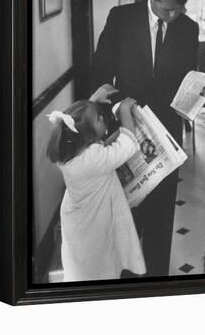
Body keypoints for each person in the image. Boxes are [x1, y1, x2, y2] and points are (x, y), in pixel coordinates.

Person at [93, 0, 199, 276]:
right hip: (125, 130)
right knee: (127, 211)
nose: (174, 16)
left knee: (162, 213)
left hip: (167, 135)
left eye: (179, 9)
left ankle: (156, 281)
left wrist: (202, 91)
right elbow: (99, 73)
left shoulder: (188, 27)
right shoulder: (121, 18)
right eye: (167, 10)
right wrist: (118, 107)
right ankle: (125, 277)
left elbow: (186, 80)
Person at [46, 96, 146, 282]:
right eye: (99, 117)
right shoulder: (94, 158)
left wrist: (91, 102)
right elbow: (129, 144)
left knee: (82, 264)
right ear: (87, 135)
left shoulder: (68, 153)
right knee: (102, 262)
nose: (103, 117)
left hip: (78, 220)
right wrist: (125, 111)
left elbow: (88, 136)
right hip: (95, 221)